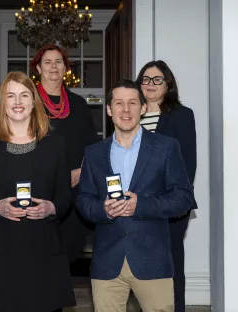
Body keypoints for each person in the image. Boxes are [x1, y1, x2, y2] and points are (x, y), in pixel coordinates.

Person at [77, 79, 196, 312]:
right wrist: (103, 209)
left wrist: (141, 205)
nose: (126, 110)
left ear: (142, 108)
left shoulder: (166, 147)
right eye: (119, 103)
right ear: (109, 110)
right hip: (107, 263)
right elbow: (84, 200)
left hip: (152, 260)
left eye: (132, 103)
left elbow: (183, 197)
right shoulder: (94, 153)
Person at [0, 71, 76, 312]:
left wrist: (51, 207)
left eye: (24, 95)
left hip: (43, 253)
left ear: (34, 101)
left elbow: (65, 198)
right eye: (11, 96)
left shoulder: (55, 145)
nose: (18, 102)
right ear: (2, 103)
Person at [136, 60, 197, 312]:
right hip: (137, 204)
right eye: (146, 79)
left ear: (167, 84)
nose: (151, 84)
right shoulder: (131, 114)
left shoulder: (182, 115)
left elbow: (188, 162)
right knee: (142, 267)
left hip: (170, 206)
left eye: (157, 79)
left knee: (170, 266)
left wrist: (179, 200)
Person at [30, 44, 99, 263]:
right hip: (39, 188)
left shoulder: (78, 103)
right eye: (47, 62)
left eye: (58, 62)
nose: (53, 66)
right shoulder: (28, 102)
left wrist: (82, 170)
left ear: (65, 68)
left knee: (69, 250)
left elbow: (93, 145)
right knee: (39, 253)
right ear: (38, 69)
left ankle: (61, 297)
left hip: (74, 189)